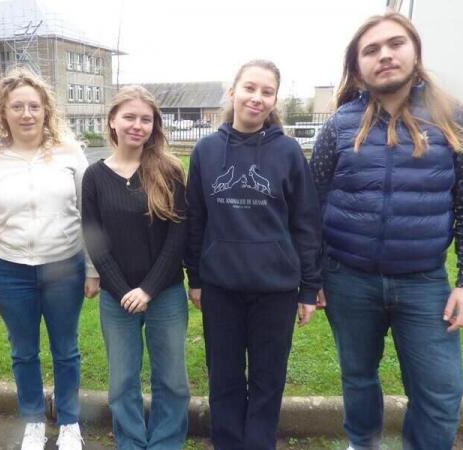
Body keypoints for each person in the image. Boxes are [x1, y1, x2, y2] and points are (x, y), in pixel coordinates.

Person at [311, 12, 463, 450]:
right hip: (348, 280)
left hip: (424, 283)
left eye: (395, 44)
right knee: (358, 377)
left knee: (439, 389)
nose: (385, 55)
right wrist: (312, 275)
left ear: (415, 52)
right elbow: (310, 204)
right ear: (358, 67)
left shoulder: (454, 119)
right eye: (371, 50)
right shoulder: (340, 125)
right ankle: (363, 443)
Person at [184, 60, 323, 450]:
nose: (256, 98)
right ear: (233, 92)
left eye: (266, 92)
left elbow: (306, 224)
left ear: (275, 98)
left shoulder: (289, 152)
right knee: (224, 378)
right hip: (221, 288)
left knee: (268, 379)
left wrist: (309, 287)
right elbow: (195, 219)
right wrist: (195, 277)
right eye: (249, 88)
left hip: (276, 289)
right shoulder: (207, 151)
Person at [0, 68, 99, 450]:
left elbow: (89, 215)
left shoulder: (70, 153)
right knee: (23, 351)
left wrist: (92, 269)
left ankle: (69, 421)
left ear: (46, 110)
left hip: (64, 267)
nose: (26, 114)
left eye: (34, 106)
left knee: (66, 349)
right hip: (9, 271)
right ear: (3, 112)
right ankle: (32, 421)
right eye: (17, 107)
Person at [82, 86, 190, 449]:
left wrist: (148, 289)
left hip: (165, 294)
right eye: (129, 117)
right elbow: (93, 238)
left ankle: (165, 442)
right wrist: (121, 288)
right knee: (122, 381)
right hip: (117, 298)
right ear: (112, 121)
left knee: (172, 379)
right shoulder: (95, 176)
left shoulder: (168, 170)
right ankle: (130, 442)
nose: (137, 125)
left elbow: (179, 236)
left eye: (146, 119)